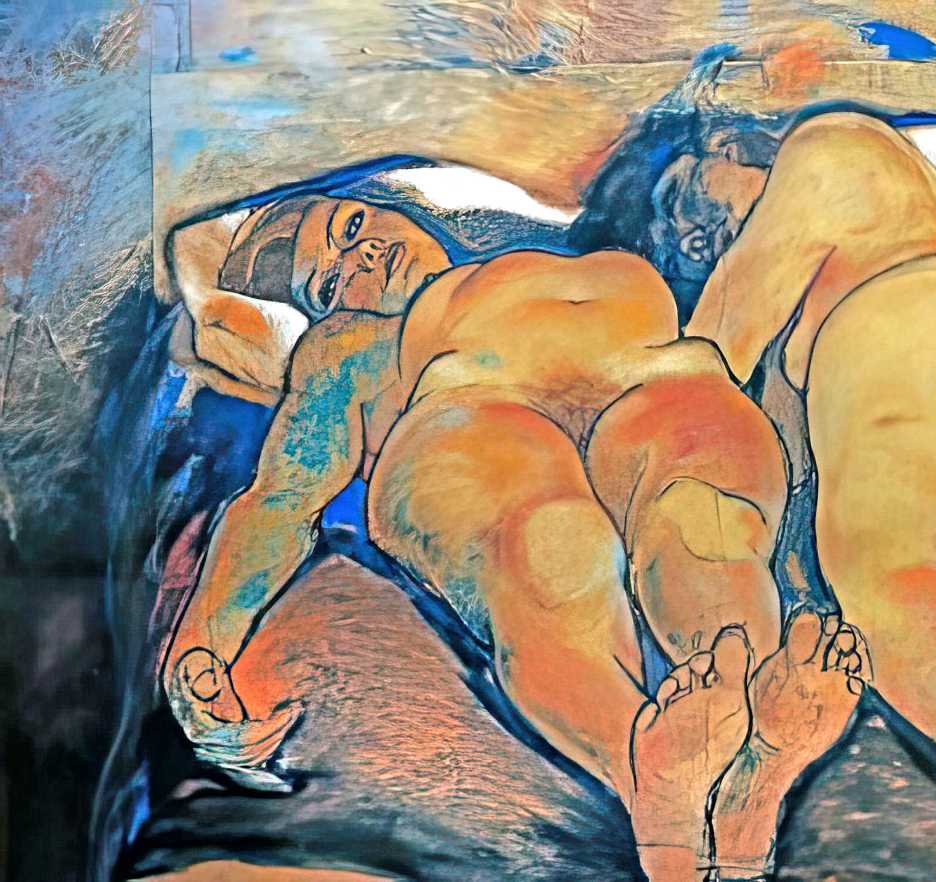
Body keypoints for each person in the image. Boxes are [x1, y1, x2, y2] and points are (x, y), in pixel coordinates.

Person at [162, 193, 869, 882]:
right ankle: (656, 779)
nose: (364, 256)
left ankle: (746, 765)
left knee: (701, 525)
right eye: (332, 281)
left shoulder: (565, 234)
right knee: (547, 546)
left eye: (351, 227)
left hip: (665, 379)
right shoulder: (350, 346)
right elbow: (283, 498)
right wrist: (200, 645)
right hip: (475, 404)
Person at [577, 107, 936, 880]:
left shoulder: (827, 150)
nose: (689, 241)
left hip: (922, 333)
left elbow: (709, 359)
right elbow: (781, 461)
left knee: (887, 563)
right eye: (671, 249)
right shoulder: (837, 274)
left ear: (723, 145)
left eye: (676, 201)